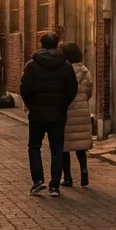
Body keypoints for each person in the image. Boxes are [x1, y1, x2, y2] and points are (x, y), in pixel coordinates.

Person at [19, 32, 77, 197]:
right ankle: (54, 186)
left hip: (37, 115)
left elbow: (24, 89)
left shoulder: (31, 65)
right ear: (57, 44)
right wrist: (62, 106)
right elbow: (72, 89)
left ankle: (38, 181)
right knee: (56, 150)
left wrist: (32, 106)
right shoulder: (66, 66)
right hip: (58, 115)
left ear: (41, 44)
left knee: (34, 147)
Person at [61, 42, 93, 188]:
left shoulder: (63, 71)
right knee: (81, 146)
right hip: (82, 110)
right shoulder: (85, 71)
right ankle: (84, 171)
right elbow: (89, 92)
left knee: (64, 147)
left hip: (67, 111)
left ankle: (67, 177)